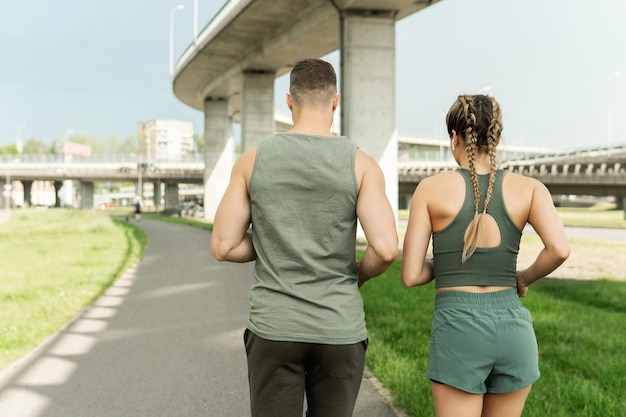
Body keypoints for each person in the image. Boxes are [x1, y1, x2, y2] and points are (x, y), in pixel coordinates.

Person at [211, 58, 398, 417]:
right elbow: (387, 249)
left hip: (274, 327)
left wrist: (272, 242)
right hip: (338, 327)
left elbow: (224, 245)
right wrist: (358, 273)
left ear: (289, 101)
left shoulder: (252, 161)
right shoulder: (362, 166)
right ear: (335, 101)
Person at [401, 94, 570, 417]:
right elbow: (559, 249)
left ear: (454, 137)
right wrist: (523, 277)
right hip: (514, 329)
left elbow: (410, 276)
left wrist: (448, 264)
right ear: (498, 138)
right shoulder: (531, 189)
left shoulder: (430, 189)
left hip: (458, 329)